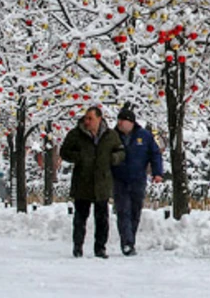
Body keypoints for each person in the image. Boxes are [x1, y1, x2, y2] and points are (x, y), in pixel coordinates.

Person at [59, 106, 124, 259]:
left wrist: (114, 159)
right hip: (82, 181)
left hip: (102, 182)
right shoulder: (76, 134)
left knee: (102, 218)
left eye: (90, 118)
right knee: (80, 217)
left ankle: (100, 248)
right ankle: (77, 246)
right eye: (86, 118)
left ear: (99, 119)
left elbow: (121, 151)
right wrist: (79, 157)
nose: (87, 121)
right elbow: (64, 152)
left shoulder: (110, 135)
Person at [111, 106, 164, 257]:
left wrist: (157, 173)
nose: (120, 123)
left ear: (131, 122)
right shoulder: (112, 136)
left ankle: (131, 239)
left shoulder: (144, 136)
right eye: (118, 120)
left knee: (135, 211)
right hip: (119, 179)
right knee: (123, 211)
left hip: (138, 179)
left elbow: (155, 154)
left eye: (123, 120)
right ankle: (127, 243)